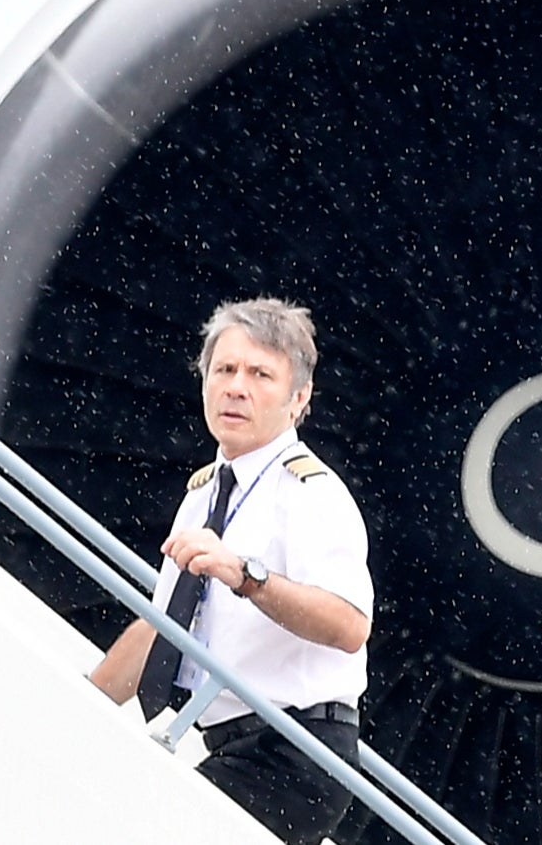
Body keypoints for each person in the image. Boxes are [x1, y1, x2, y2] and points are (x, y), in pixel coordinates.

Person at [89, 298, 373, 845]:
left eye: (260, 374)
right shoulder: (202, 496)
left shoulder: (312, 495)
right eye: (224, 370)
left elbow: (350, 625)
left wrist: (246, 574)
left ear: (299, 400)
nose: (235, 387)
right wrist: (81, 705)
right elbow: (164, 627)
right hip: (233, 745)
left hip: (295, 751)